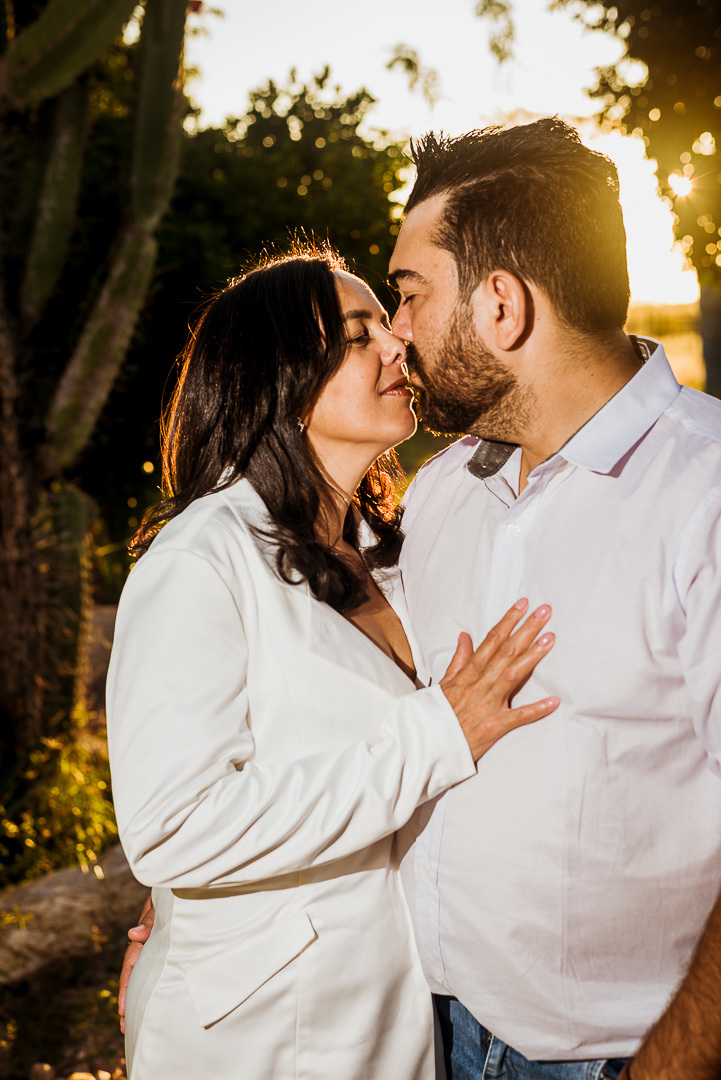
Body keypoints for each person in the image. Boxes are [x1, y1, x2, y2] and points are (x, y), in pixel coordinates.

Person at [107, 245, 560, 1079]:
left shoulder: (389, 551)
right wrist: (433, 736)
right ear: (278, 373)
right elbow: (171, 827)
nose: (398, 345)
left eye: (387, 323)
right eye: (359, 333)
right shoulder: (199, 558)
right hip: (266, 1035)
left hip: (401, 1014)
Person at [388, 118, 721, 1080]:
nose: (395, 328)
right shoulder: (444, 487)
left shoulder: (703, 496)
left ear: (501, 305)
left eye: (411, 294)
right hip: (426, 1034)